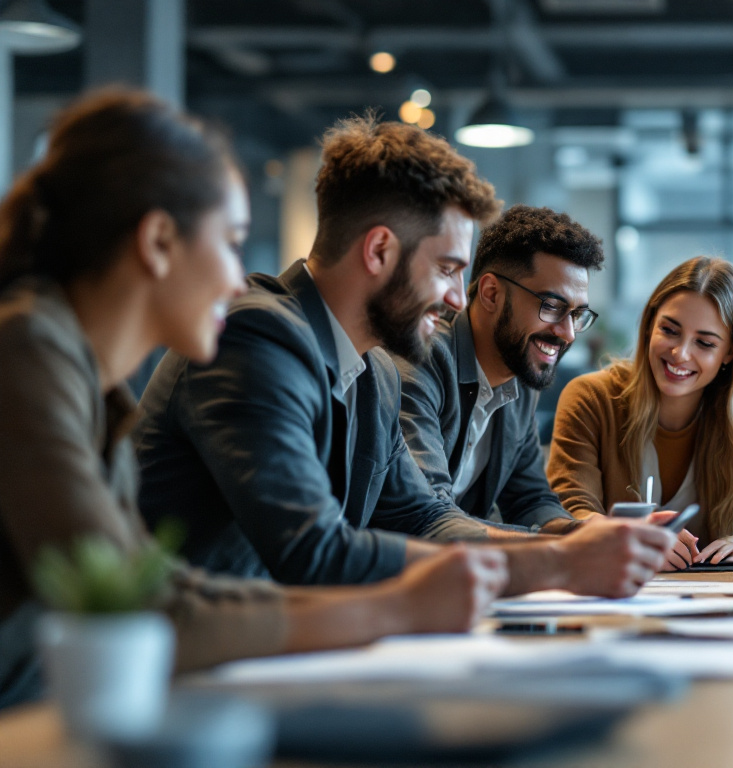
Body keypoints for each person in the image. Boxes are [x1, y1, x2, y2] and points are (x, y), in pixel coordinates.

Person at [0, 90, 509, 710]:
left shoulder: (78, 372)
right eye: (231, 240)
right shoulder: (27, 352)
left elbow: (161, 587)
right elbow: (138, 608)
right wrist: (391, 609)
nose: (236, 278)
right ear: (160, 241)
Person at [135, 113, 672, 594]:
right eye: (447, 270)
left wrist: (575, 549)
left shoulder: (374, 370)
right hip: (167, 671)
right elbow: (313, 550)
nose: (459, 300)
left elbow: (423, 516)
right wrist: (556, 564)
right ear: (379, 251)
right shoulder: (256, 339)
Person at [548, 256, 733, 570]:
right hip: (611, 590)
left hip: (714, 600)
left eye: (704, 342)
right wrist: (628, 538)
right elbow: (570, 512)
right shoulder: (592, 398)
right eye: (670, 330)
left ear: (730, 351)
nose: (681, 354)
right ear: (650, 326)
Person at [396, 206, 601, 534]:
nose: (568, 333)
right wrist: (565, 551)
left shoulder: (521, 373)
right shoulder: (422, 358)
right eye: (551, 306)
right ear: (491, 293)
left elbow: (529, 499)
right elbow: (426, 514)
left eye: (577, 314)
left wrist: (581, 533)